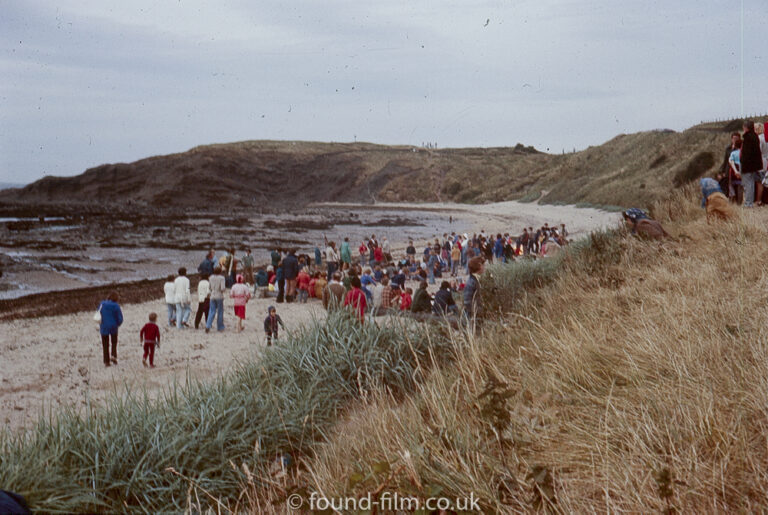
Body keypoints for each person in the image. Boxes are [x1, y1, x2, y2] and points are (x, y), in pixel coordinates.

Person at [741, 120, 764, 208]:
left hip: (748, 165)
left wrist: (744, 163)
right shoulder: (755, 136)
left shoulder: (748, 137)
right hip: (754, 164)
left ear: (746, 127)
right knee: (751, 184)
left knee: (748, 184)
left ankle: (748, 203)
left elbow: (747, 153)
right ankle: (749, 202)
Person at [98, 291, 123, 367]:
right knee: (114, 342)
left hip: (104, 326)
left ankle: (106, 361)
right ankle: (113, 355)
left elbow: (98, 313)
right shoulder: (116, 306)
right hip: (113, 326)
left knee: (105, 344)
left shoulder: (102, 304)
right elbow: (120, 318)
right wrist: (118, 324)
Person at [206, 266, 226, 332]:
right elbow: (222, 288)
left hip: (212, 295)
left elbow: (209, 287)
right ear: (220, 271)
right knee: (220, 311)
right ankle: (220, 327)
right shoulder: (222, 278)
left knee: (211, 311)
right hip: (219, 295)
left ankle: (208, 325)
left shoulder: (211, 277)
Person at [464, 257, 484, 323]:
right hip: (472, 316)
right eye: (482, 265)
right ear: (478, 266)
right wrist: (474, 313)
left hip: (476, 314)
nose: (484, 267)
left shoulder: (476, 279)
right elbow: (467, 301)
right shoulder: (471, 282)